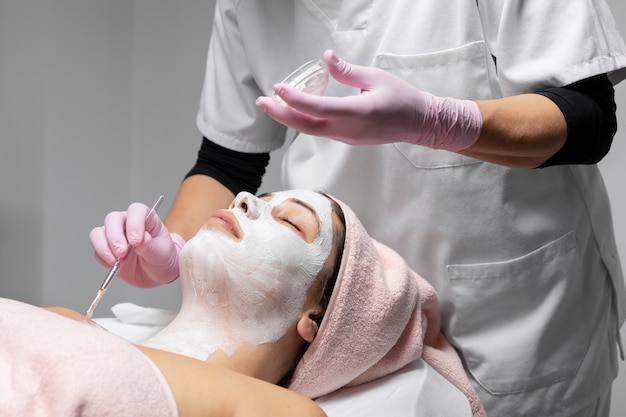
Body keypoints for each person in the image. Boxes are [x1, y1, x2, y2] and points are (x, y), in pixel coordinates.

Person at [93, 2, 626, 416]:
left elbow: (589, 119)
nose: (246, 206)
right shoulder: (248, 6)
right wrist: (176, 248)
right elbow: (228, 165)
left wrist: (437, 120)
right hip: (344, 334)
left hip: (515, 317)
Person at [7, 190, 484, 416]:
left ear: (316, 321)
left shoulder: (286, 413)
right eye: (259, 195)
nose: (242, 200)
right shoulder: (68, 321)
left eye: (291, 222)